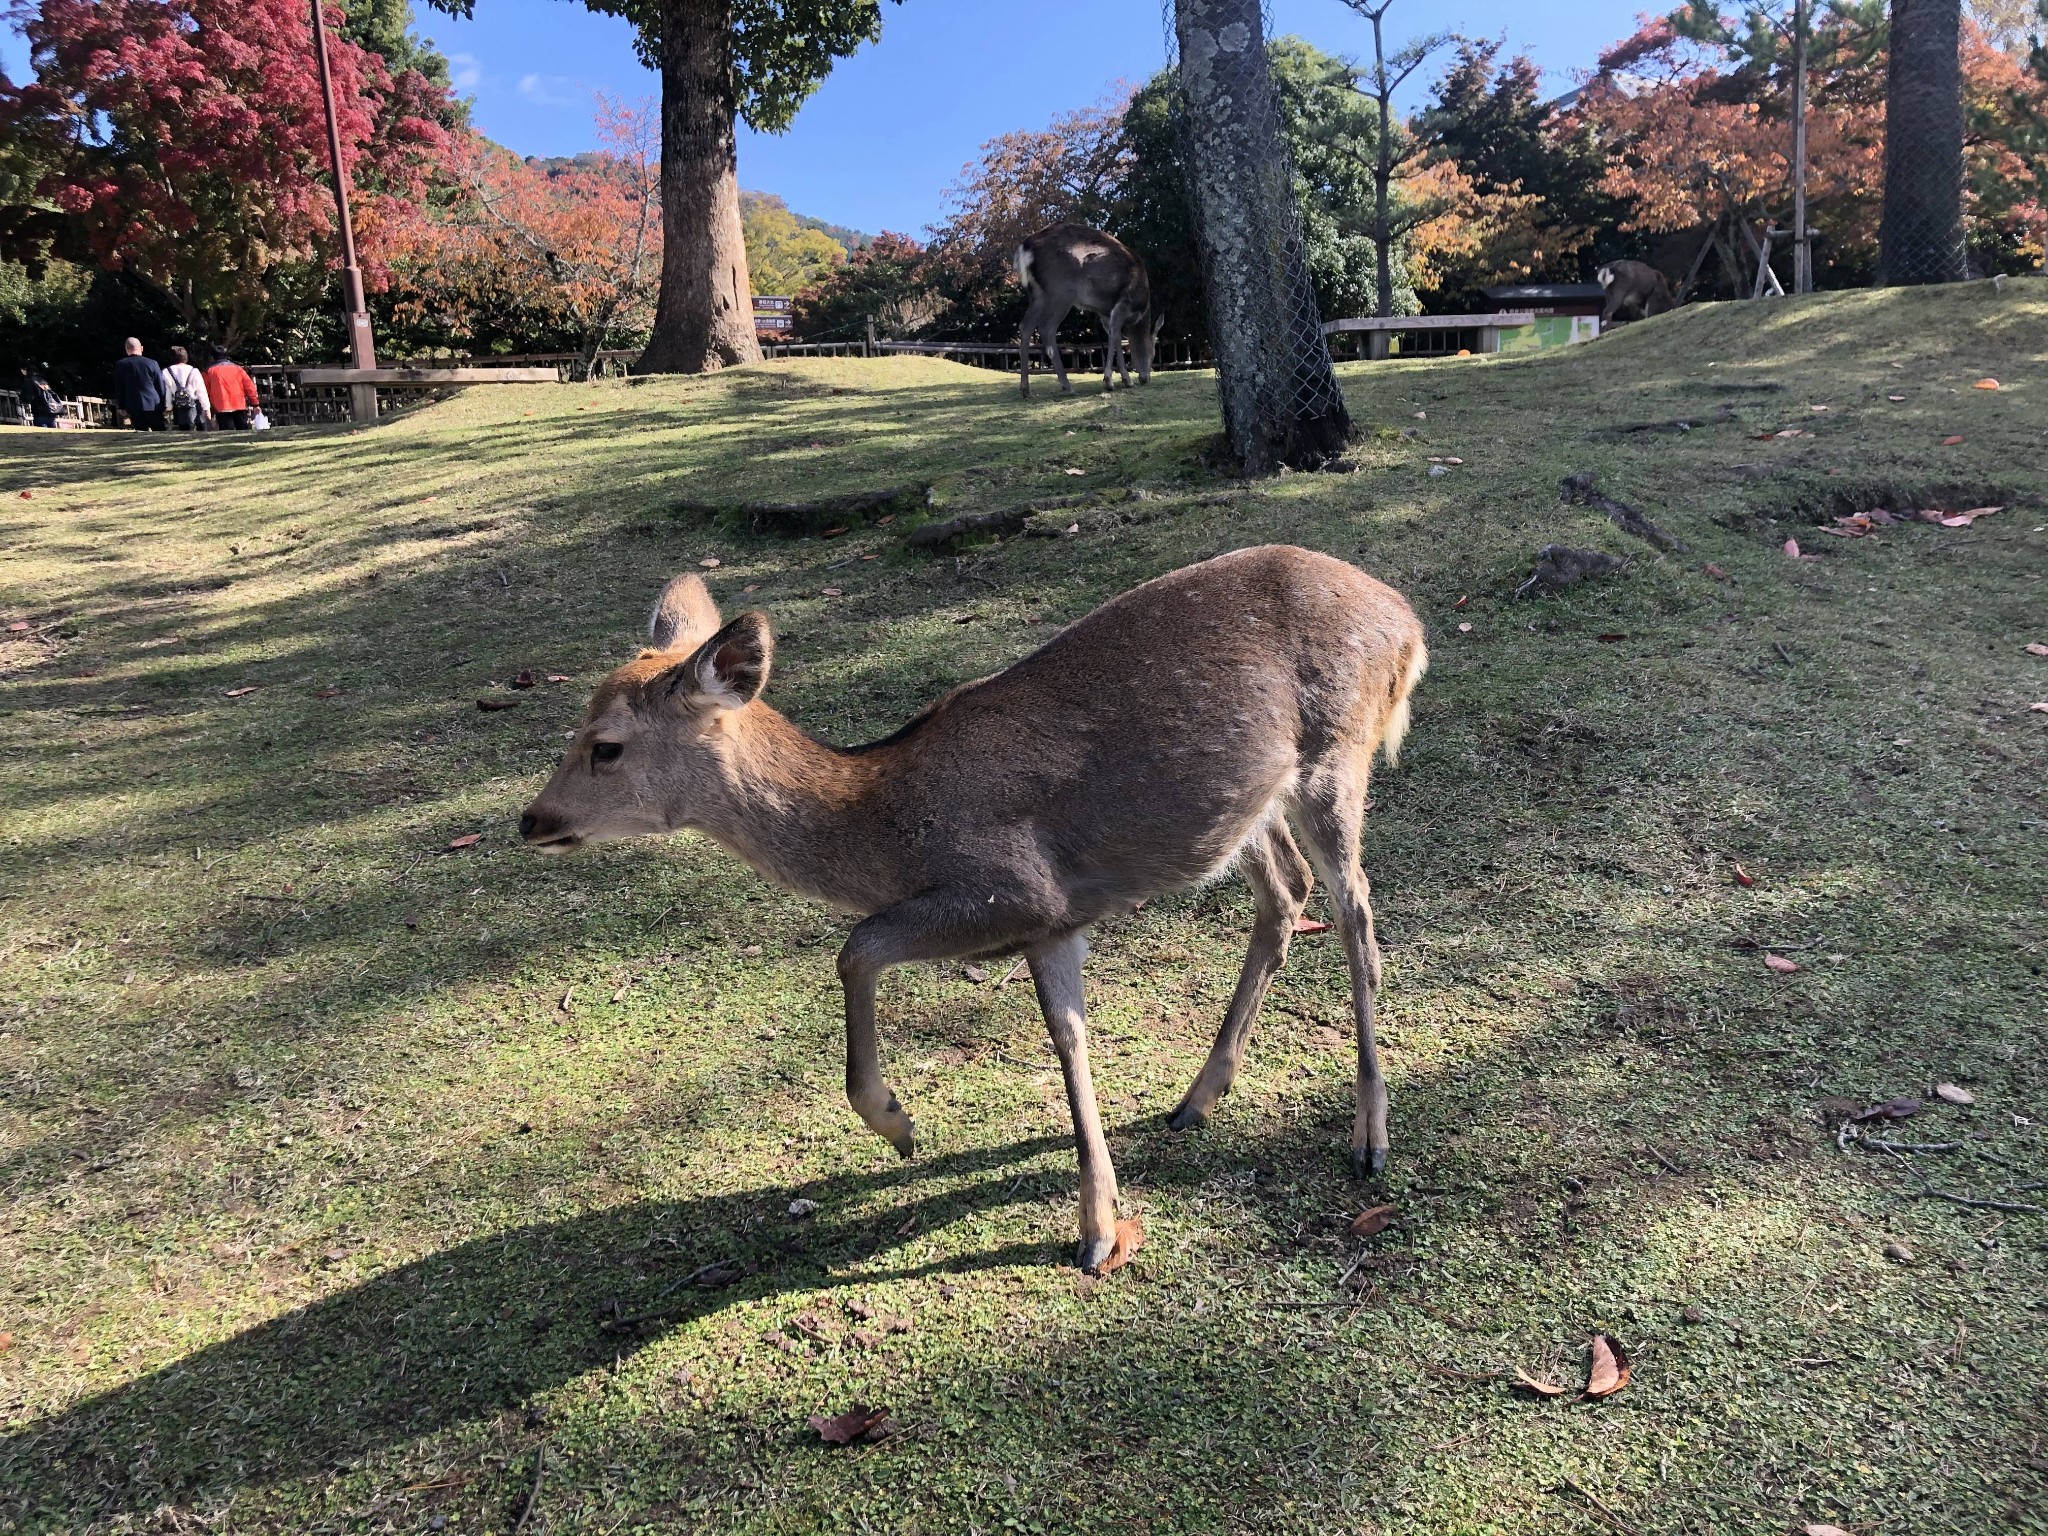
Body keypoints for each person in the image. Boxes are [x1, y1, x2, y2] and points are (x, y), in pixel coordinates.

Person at [112, 338, 166, 431]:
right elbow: (160, 385)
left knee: (141, 432)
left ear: (126, 349)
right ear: (142, 348)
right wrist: (164, 403)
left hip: (134, 404)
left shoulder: (121, 364)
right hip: (153, 404)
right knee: (159, 431)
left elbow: (120, 387)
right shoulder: (152, 363)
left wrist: (122, 406)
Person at [204, 349, 261, 430]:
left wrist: (208, 407)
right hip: (239, 404)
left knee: (226, 431)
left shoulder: (209, 371)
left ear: (212, 357)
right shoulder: (238, 369)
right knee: (243, 430)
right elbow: (249, 387)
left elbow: (205, 390)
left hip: (221, 406)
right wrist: (255, 404)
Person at [162, 346, 211, 431]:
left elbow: (168, 392)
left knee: (183, 431)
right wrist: (206, 408)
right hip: (194, 406)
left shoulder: (166, 371)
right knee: (200, 431)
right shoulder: (194, 370)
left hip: (178, 407)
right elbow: (201, 391)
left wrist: (168, 407)